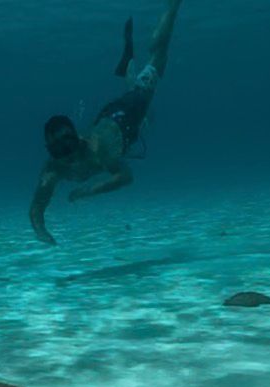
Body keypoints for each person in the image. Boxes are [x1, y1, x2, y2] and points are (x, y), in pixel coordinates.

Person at [28, 0, 184, 245]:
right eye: (58, 149)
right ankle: (128, 64)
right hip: (109, 116)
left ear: (78, 139)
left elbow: (125, 176)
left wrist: (88, 191)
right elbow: (37, 207)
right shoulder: (52, 169)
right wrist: (41, 231)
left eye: (68, 144)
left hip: (129, 113)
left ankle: (173, 6)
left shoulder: (96, 151)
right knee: (132, 89)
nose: (66, 154)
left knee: (158, 54)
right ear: (50, 152)